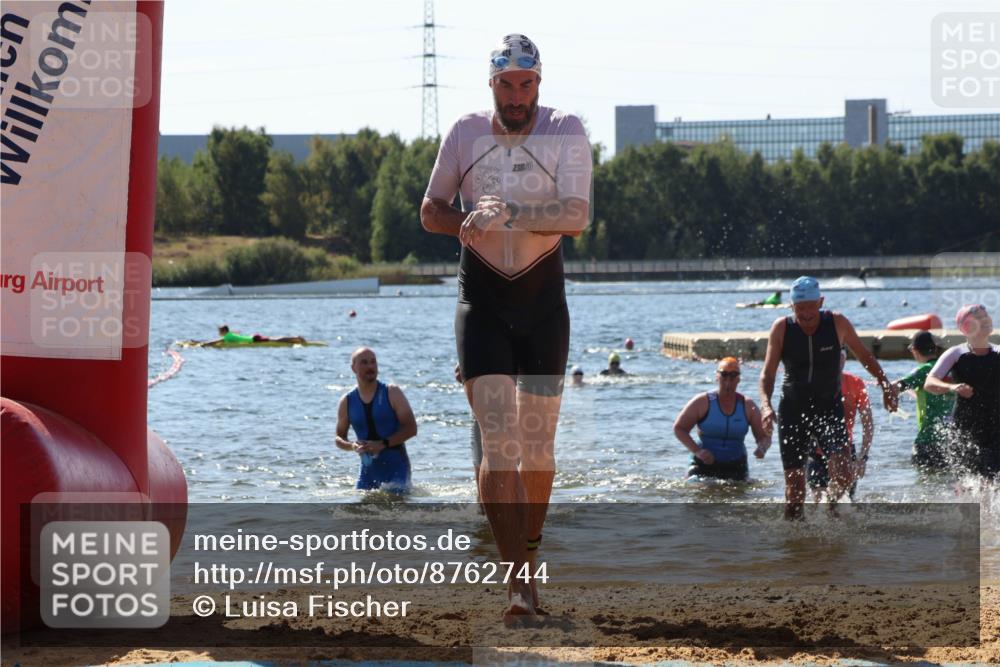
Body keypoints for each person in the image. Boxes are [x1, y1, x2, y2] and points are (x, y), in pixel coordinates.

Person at [420, 33, 592, 622]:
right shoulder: (466, 132)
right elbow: (429, 210)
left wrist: (514, 212)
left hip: (544, 305)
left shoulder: (565, 130)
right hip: (484, 300)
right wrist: (465, 218)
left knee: (538, 449)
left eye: (526, 85)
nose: (515, 97)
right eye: (505, 86)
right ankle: (518, 584)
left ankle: (532, 562)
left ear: (538, 84)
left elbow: (577, 216)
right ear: (490, 84)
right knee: (498, 442)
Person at [759, 276, 897, 520]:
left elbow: (865, 356)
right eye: (800, 308)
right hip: (793, 410)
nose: (806, 314)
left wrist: (886, 385)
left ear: (820, 302)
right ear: (791, 307)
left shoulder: (837, 323)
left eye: (811, 307)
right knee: (794, 492)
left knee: (844, 474)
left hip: (829, 407)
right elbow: (768, 373)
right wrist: (766, 406)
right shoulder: (781, 328)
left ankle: (827, 505)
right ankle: (794, 543)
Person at [925, 305, 1000, 479]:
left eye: (986, 315)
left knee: (993, 482)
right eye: (979, 317)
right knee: (968, 482)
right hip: (965, 427)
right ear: (966, 327)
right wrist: (952, 387)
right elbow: (930, 382)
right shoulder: (956, 354)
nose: (986, 319)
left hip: (996, 426)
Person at [335, 348, 417, 494]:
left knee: (397, 509)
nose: (370, 367)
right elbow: (339, 438)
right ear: (353, 367)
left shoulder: (392, 392)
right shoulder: (347, 401)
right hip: (368, 473)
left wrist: (383, 444)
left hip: (397, 469)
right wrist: (352, 446)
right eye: (364, 362)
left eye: (373, 362)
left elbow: (411, 428)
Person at [673, 357, 770, 481]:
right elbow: (679, 428)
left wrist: (762, 448)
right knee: (697, 489)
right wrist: (698, 451)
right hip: (703, 463)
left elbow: (764, 437)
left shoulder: (747, 405)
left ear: (739, 379)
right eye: (724, 375)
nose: (728, 381)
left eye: (733, 376)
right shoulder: (702, 402)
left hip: (736, 464)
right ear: (717, 377)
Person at [807, 349, 874, 502]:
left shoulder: (855, 383)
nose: (836, 362)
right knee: (819, 503)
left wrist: (862, 458)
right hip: (816, 451)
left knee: (842, 505)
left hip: (845, 449)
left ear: (844, 359)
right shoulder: (813, 383)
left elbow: (868, 424)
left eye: (840, 358)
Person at [893, 330, 955, 470]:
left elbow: (898, 386)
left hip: (927, 440)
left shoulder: (924, 370)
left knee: (924, 484)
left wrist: (886, 387)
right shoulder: (950, 369)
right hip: (949, 441)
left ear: (914, 350)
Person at [214, 324, 305, 345]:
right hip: (253, 337)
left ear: (224, 331)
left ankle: (296, 338)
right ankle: (295, 339)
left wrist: (204, 344)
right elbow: (237, 332)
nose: (219, 333)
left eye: (220, 331)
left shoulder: (227, 336)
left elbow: (215, 341)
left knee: (276, 340)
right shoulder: (229, 334)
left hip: (254, 339)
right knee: (274, 339)